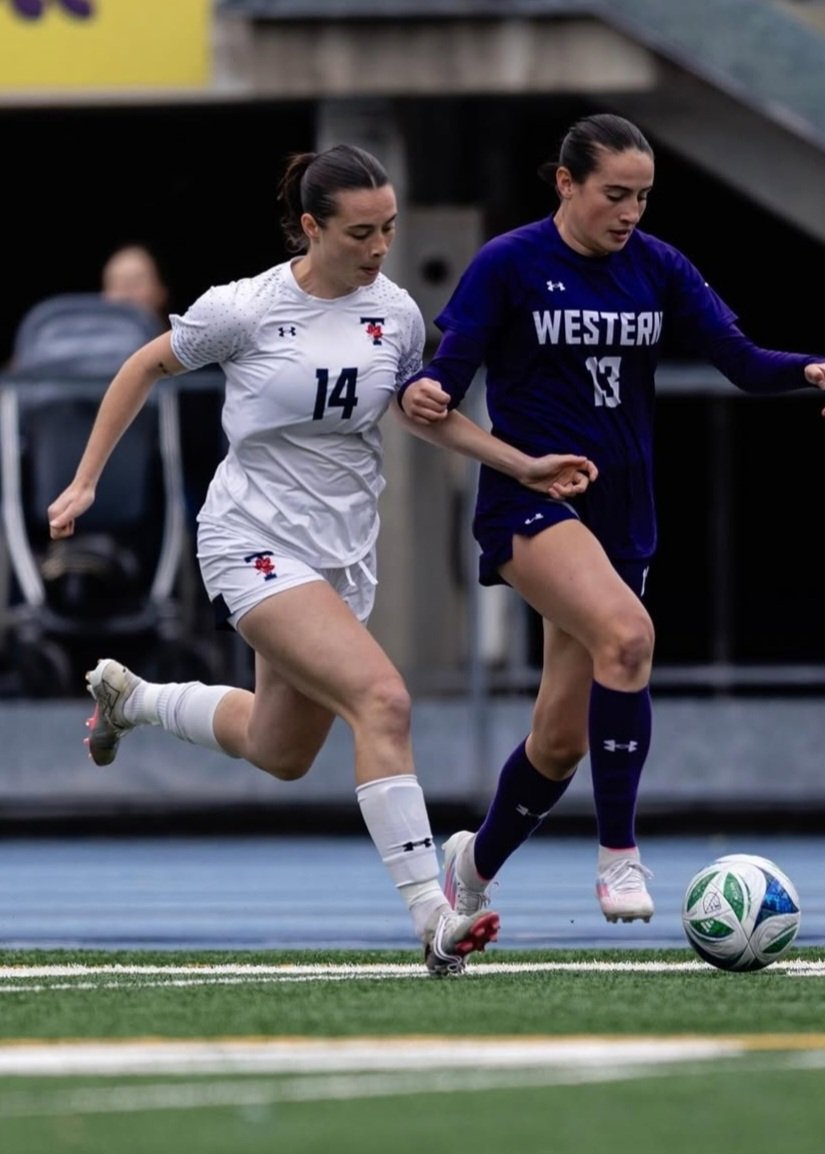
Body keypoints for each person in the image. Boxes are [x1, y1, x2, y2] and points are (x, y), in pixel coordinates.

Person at [46, 142, 598, 974]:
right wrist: (84, 481)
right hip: (251, 540)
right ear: (310, 227)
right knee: (382, 700)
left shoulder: (399, 313)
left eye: (389, 230)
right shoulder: (244, 308)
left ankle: (136, 699)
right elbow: (140, 367)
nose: (379, 249)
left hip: (343, 554)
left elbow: (421, 412)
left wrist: (519, 463)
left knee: (281, 750)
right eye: (360, 233)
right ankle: (433, 917)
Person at [396, 113, 825, 930]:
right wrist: (428, 389)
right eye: (615, 194)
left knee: (559, 741)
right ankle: (618, 856)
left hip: (621, 514)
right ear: (566, 183)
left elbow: (739, 359)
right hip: (534, 501)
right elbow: (446, 374)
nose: (630, 212)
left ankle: (471, 865)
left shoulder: (658, 266)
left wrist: (806, 369)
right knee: (629, 637)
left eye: (642, 196)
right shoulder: (509, 263)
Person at [100, 243, 170, 329]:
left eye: (135, 283)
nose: (125, 295)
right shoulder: (89, 339)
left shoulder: (178, 340)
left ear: (160, 292)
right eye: (117, 285)